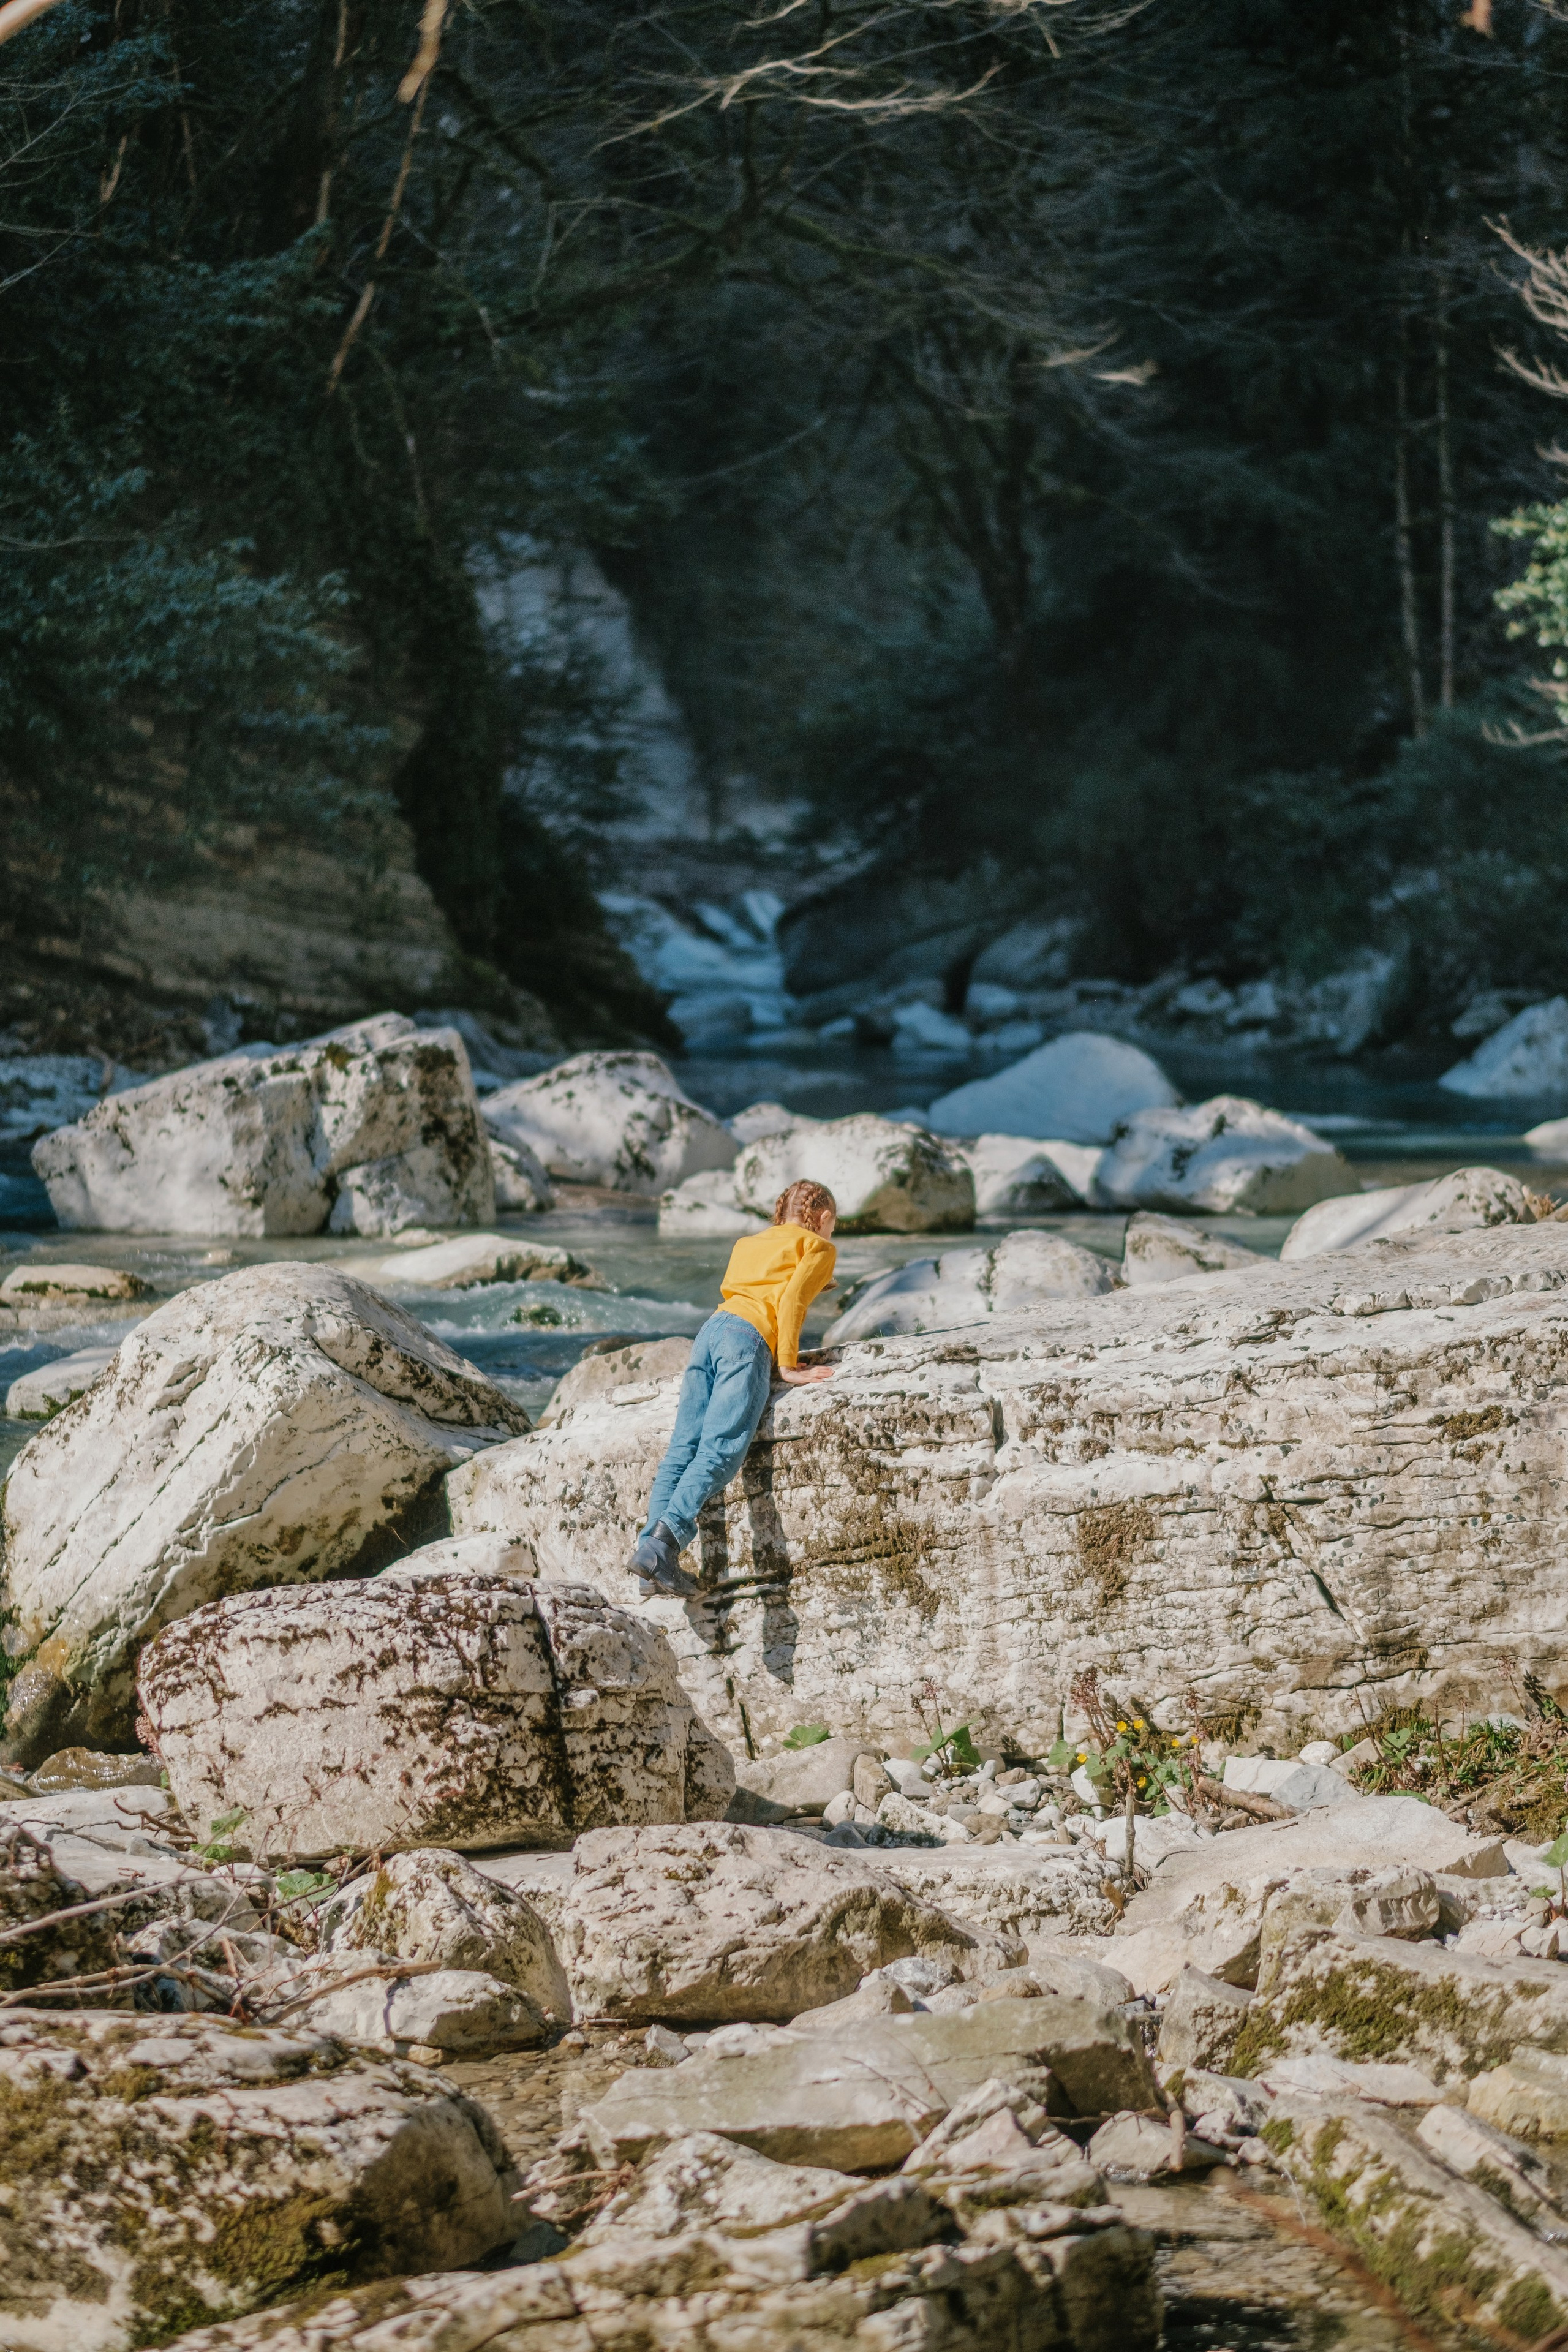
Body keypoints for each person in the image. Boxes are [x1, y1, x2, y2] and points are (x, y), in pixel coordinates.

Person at [630, 1178, 838, 1596]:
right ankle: (663, 1547)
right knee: (721, 1450)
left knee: (682, 1450)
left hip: (710, 1332)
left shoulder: (749, 1244)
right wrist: (787, 1365)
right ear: (824, 1218)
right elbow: (791, 1299)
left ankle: (648, 1565)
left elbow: (758, 1292)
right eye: (834, 1225)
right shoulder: (817, 1246)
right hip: (746, 1340)